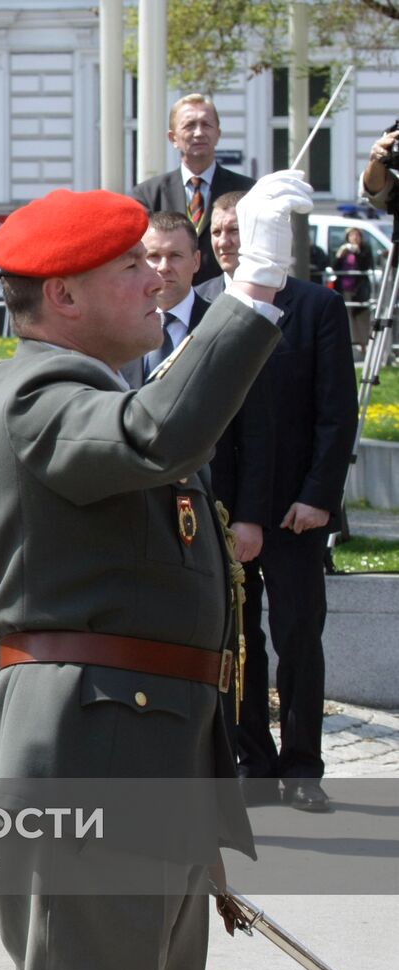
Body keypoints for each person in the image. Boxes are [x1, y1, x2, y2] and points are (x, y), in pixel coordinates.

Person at [0, 171, 314, 970]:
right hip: (94, 750)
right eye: (131, 268)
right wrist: (253, 284)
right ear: (65, 297)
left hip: (144, 746)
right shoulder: (33, 394)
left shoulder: (90, 395)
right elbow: (161, 434)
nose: (161, 277)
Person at [197, 190, 357, 813]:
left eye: (238, 228)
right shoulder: (208, 305)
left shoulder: (315, 306)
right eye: (218, 230)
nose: (227, 241)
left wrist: (318, 498)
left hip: (295, 512)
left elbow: (335, 415)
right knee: (238, 643)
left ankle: (302, 768)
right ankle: (252, 763)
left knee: (296, 638)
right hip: (223, 510)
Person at [135, 211, 274, 577]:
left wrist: (250, 517)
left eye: (175, 256)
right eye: (153, 256)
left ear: (196, 260)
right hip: (137, 507)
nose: (164, 267)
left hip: (216, 509)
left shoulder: (227, 331)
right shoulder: (119, 330)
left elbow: (257, 431)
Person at [130, 93, 255, 284]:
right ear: (173, 138)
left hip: (228, 296)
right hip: (167, 299)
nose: (199, 132)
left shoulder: (248, 191)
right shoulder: (147, 194)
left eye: (206, 125)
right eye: (189, 125)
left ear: (218, 134)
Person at [332, 227, 374, 348]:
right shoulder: (344, 250)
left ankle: (364, 345)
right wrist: (340, 254)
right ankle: (348, 344)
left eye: (357, 235)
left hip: (359, 289)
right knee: (346, 317)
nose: (354, 238)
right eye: (351, 235)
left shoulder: (365, 249)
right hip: (344, 289)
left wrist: (358, 252)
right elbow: (335, 267)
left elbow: (366, 265)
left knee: (361, 316)